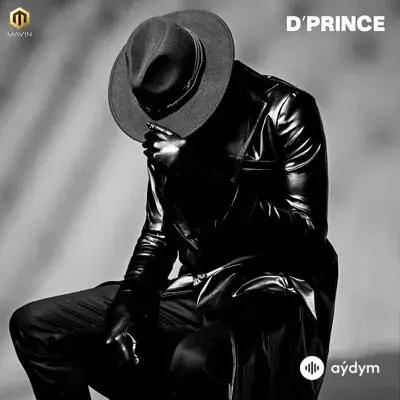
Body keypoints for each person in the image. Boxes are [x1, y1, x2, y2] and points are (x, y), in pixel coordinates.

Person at [9, 9, 338, 400]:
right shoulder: (169, 131)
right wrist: (129, 304)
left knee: (195, 360)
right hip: (196, 290)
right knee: (36, 326)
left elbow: (308, 240)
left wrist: (204, 180)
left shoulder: (285, 110)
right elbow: (158, 231)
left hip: (272, 294)